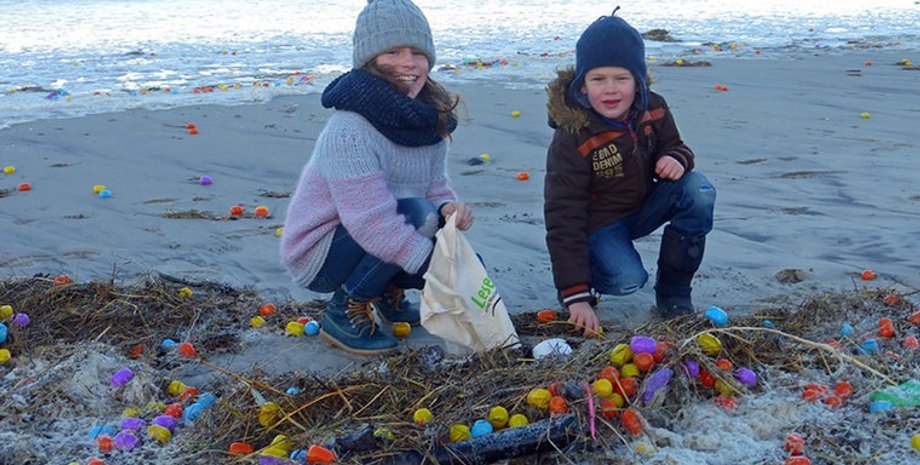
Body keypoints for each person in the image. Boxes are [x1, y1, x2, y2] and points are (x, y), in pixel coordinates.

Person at [281, 0, 473, 356]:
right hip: (322, 251)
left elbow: (434, 185)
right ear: (370, 61)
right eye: (393, 51)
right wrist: (435, 269)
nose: (408, 63)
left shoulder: (428, 119)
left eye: (417, 52)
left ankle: (385, 291)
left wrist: (448, 208)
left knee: (435, 224)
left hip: (383, 231)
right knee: (417, 218)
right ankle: (345, 309)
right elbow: (370, 221)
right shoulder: (350, 129)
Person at [543, 9, 716, 337]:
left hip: (644, 206)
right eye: (598, 79)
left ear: (637, 81)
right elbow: (563, 214)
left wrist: (676, 159)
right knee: (628, 280)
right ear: (582, 85)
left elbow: (678, 146)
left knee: (698, 190)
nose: (610, 89)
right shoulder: (572, 134)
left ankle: (674, 294)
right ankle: (586, 282)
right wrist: (574, 294)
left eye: (621, 78)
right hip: (599, 225)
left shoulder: (654, 107)